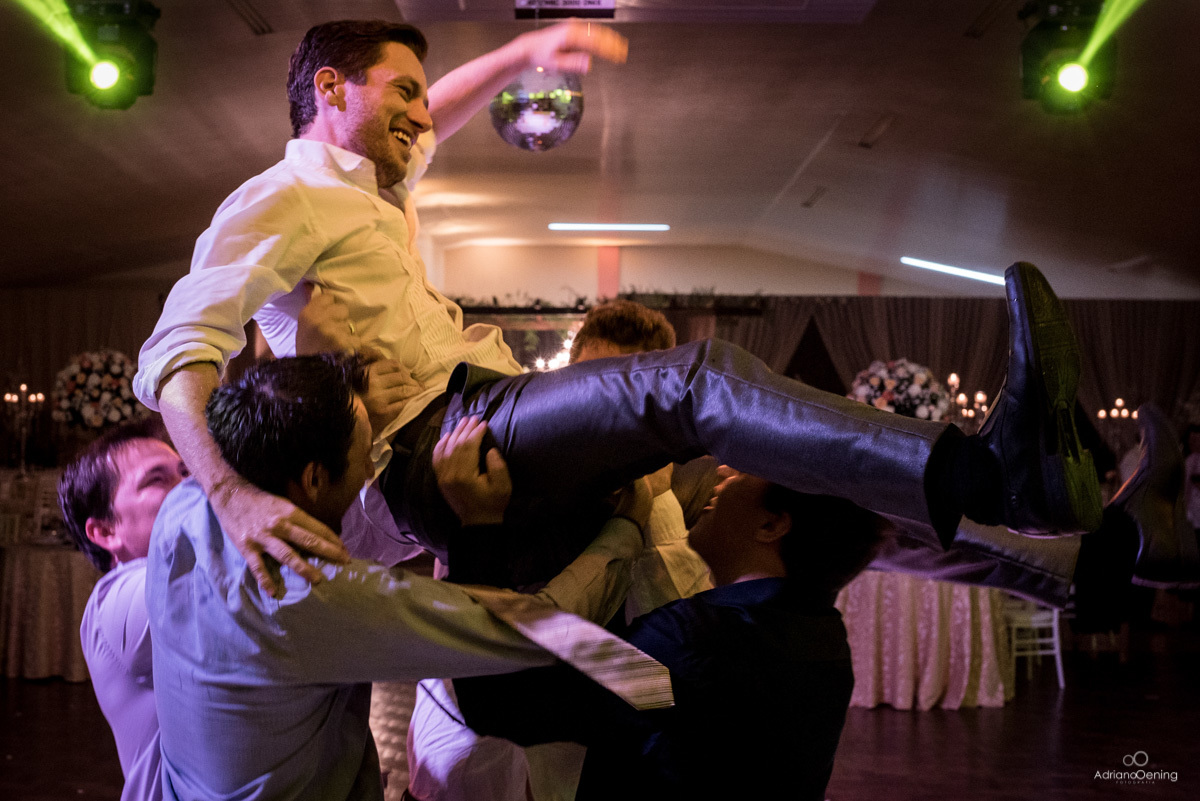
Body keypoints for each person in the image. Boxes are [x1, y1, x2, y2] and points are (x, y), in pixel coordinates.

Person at [134, 19, 1107, 605]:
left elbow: (435, 120)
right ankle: (995, 473)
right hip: (429, 450)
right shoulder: (285, 196)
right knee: (694, 381)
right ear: (329, 87)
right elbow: (179, 347)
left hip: (477, 421)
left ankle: (1089, 556)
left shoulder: (375, 194)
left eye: (425, 100)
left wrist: (522, 51)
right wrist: (230, 492)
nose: (425, 117)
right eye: (405, 93)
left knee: (790, 488)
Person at [145, 353, 655, 801]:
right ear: (314, 478)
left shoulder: (185, 507)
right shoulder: (313, 592)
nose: (372, 468)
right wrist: (624, 528)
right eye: (365, 453)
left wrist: (352, 408)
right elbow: (529, 631)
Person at [405, 300, 710, 801]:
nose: (597, 417)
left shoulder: (663, 517)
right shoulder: (497, 465)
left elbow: (657, 679)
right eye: (586, 388)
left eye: (621, 398)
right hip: (453, 768)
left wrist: (646, 513)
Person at [452, 467, 887, 801]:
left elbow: (499, 703)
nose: (723, 471)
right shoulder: (826, 636)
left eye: (746, 470)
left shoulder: (693, 644)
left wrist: (478, 521)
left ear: (771, 526)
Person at [59, 419, 187, 801]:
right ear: (105, 532)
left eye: (186, 471)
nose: (191, 485)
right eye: (157, 479)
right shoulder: (119, 596)